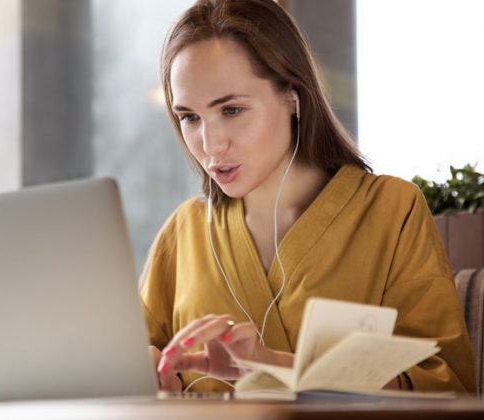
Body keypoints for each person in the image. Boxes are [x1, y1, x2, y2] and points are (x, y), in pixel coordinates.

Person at [140, 0, 476, 394]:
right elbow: (129, 364)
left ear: (293, 97)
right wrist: (153, 382)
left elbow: (448, 388)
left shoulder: (391, 210)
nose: (210, 144)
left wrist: (273, 365)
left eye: (231, 110)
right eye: (189, 117)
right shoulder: (185, 231)